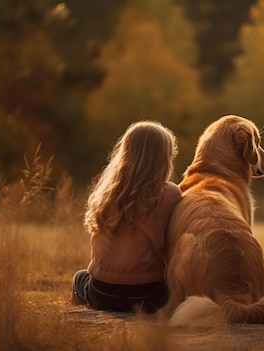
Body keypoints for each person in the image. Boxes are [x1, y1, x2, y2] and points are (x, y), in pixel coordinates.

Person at [73, 120, 182, 313]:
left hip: (102, 293)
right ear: (164, 158)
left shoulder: (106, 192)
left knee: (79, 278)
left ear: (125, 154)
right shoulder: (170, 194)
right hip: (148, 296)